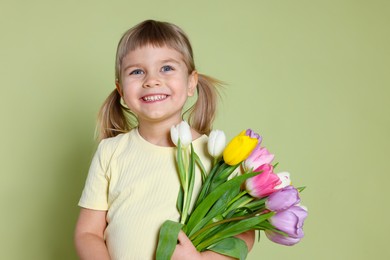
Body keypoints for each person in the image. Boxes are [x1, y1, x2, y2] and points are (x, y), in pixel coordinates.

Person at [74, 19, 254, 260]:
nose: (151, 80)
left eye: (167, 68)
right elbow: (88, 232)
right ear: (121, 91)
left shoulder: (220, 158)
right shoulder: (110, 152)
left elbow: (243, 232)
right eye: (137, 71)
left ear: (191, 82)